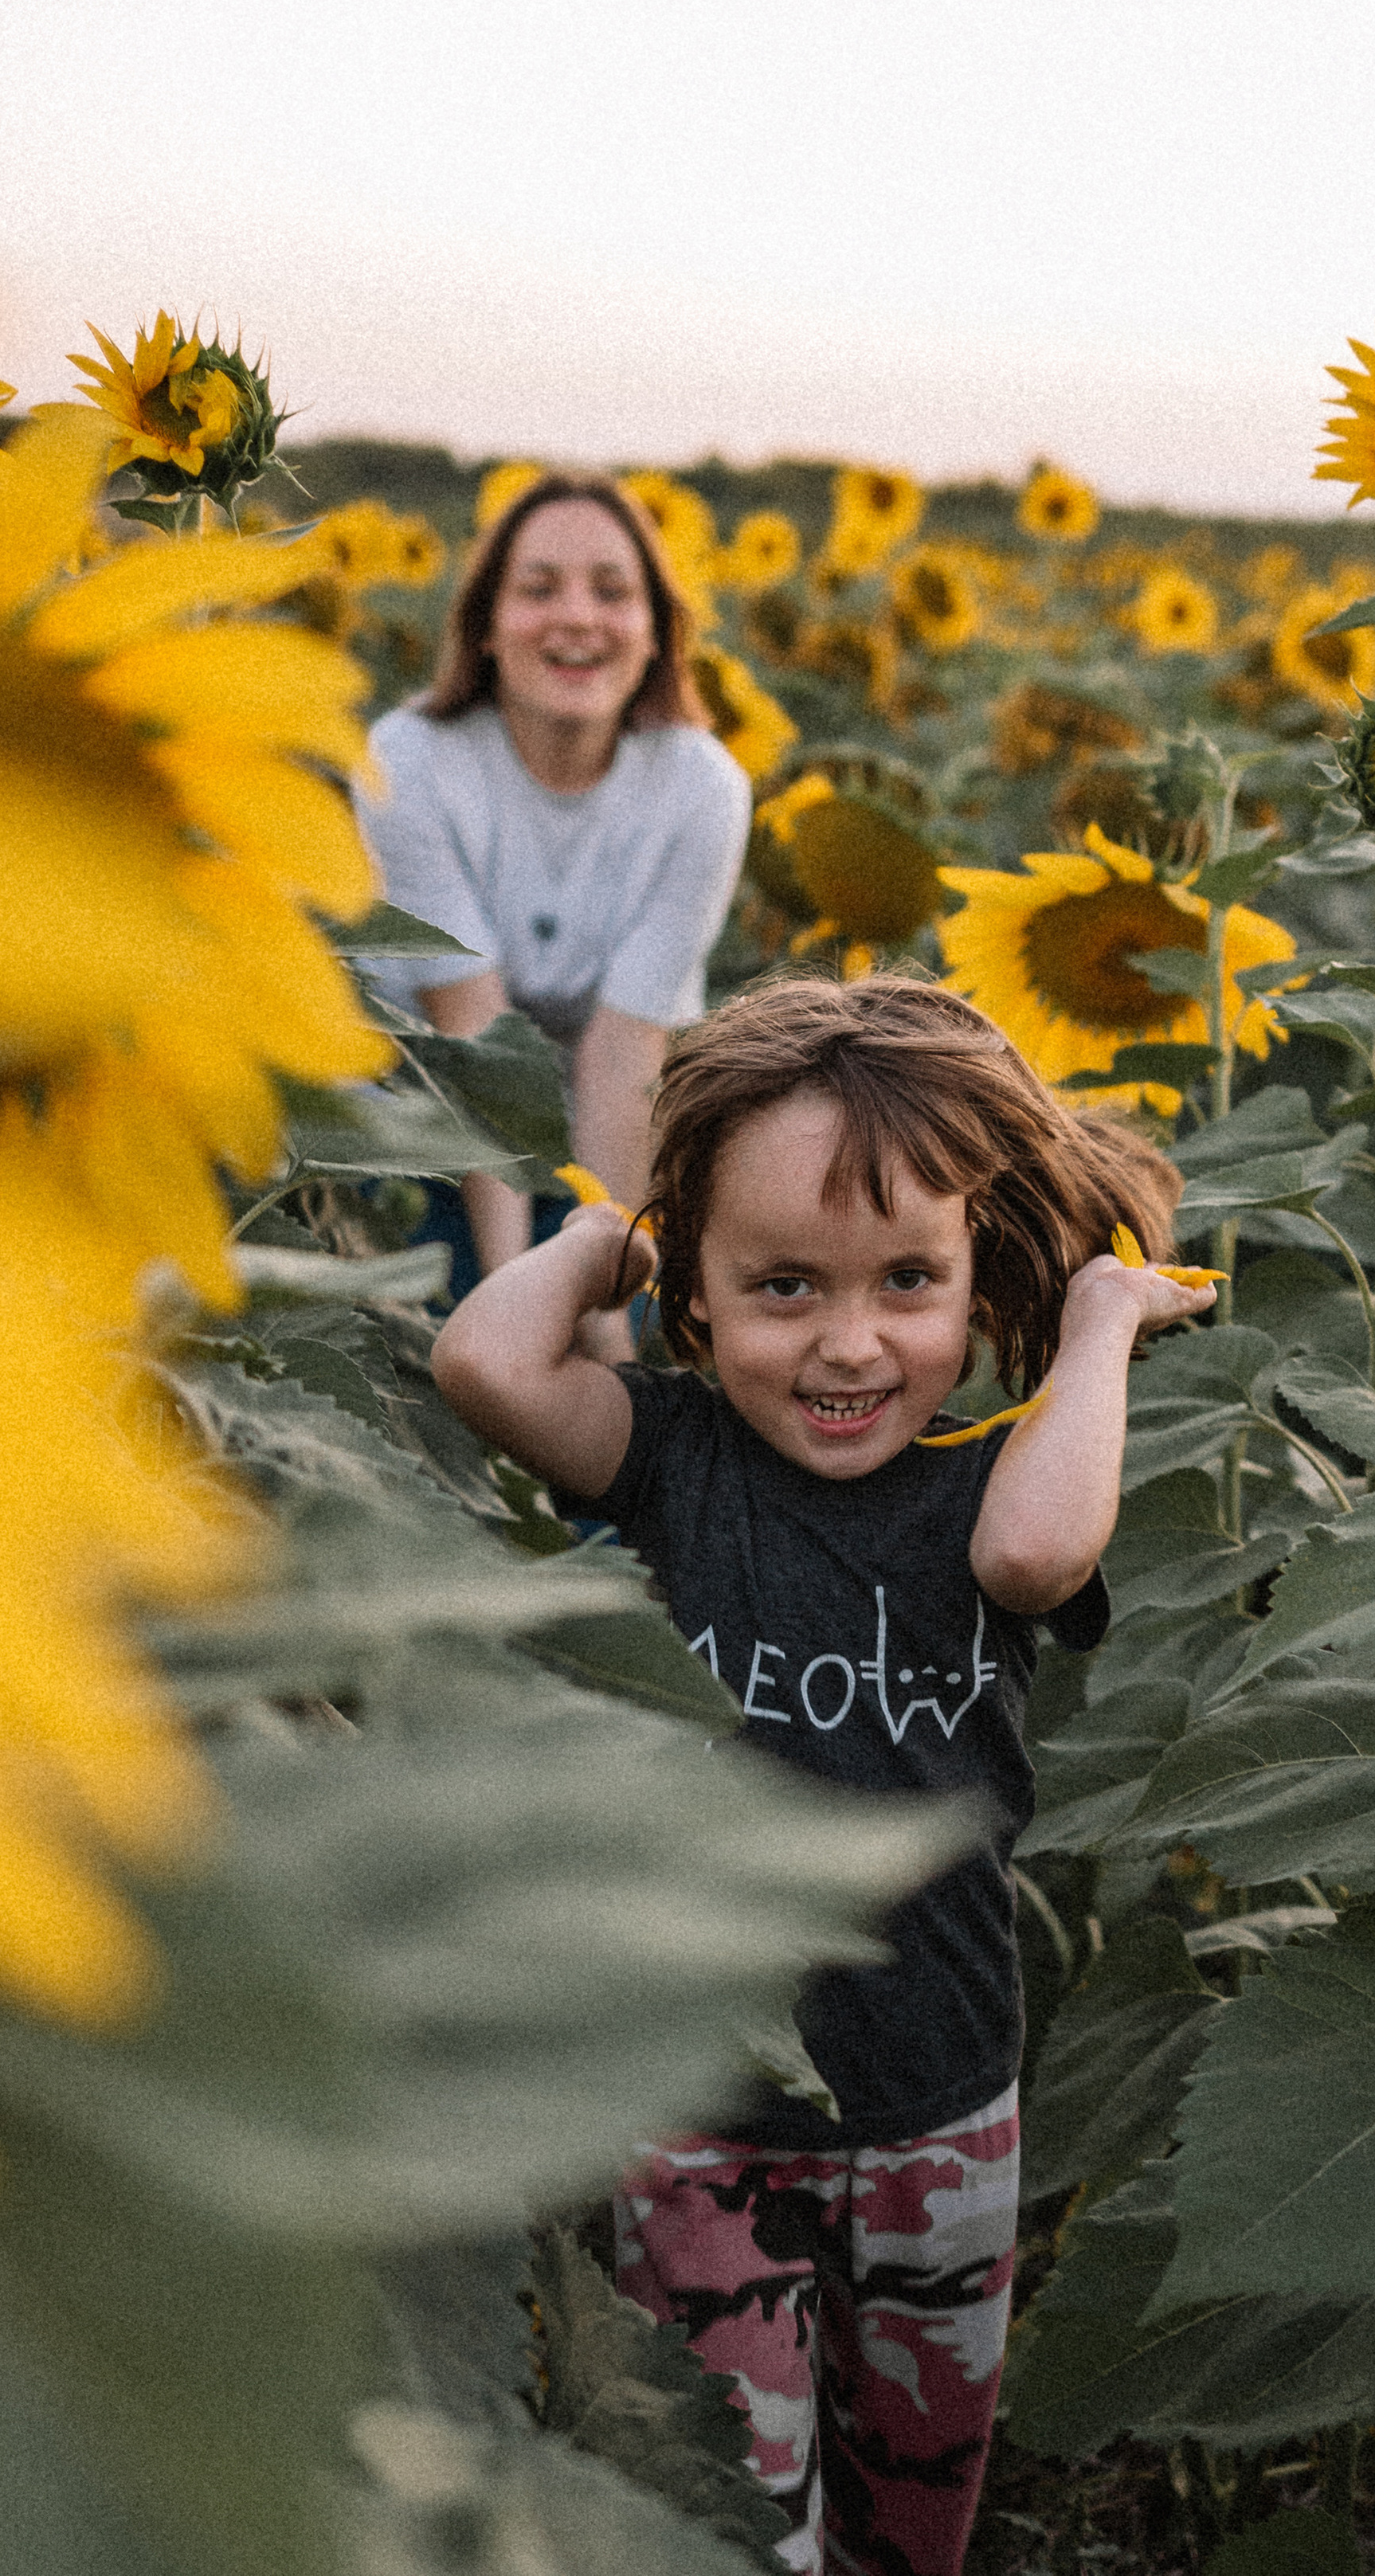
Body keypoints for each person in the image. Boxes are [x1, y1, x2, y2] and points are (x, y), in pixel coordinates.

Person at [430, 977, 1209, 2576]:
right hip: (706, 2106)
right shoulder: (668, 1455)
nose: (848, 1343)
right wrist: (608, 1239)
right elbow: (487, 1366)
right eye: (783, 1284)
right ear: (698, 1298)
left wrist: (1099, 1320)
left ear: (972, 1277)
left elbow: (1046, 1548)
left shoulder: (982, 1484)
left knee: (916, 2496)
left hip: (934, 2099)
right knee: (727, 2505)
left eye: (907, 1282)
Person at [355, 469, 750, 1302]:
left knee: (634, 1329)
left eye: (613, 592)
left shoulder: (701, 789)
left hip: (603, 1132)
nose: (577, 616)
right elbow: (472, 1033)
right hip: (412, 1125)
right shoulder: (409, 764)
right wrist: (510, 1304)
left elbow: (623, 1052)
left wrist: (600, 1292)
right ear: (488, 626)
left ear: (654, 632)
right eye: (539, 589)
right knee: (437, 1324)